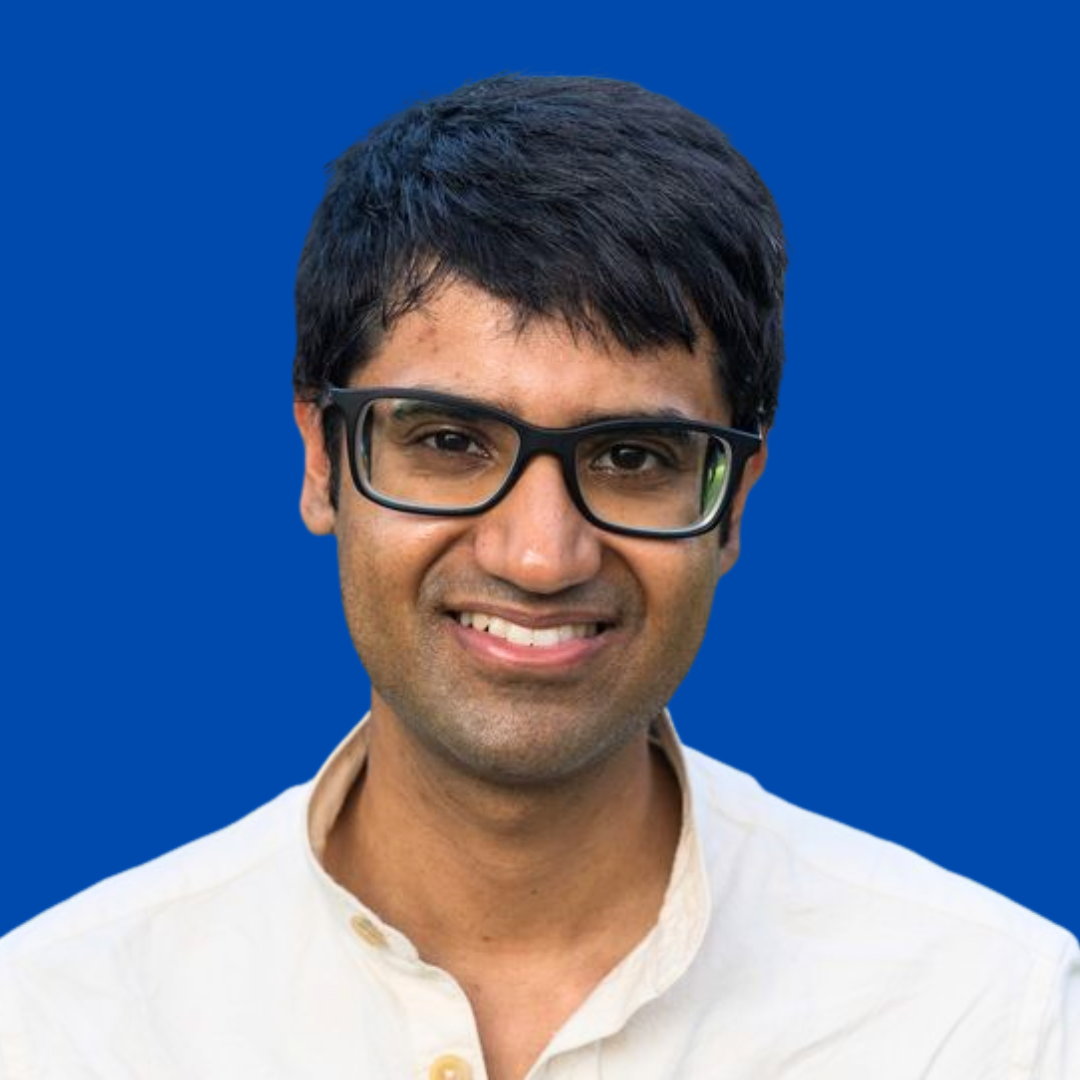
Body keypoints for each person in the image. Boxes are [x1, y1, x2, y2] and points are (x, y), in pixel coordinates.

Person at [0, 75, 1075, 1080]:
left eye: (633, 458)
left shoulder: (994, 1023)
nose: (540, 556)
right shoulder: (61, 1026)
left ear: (734, 502)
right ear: (322, 461)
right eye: (449, 442)